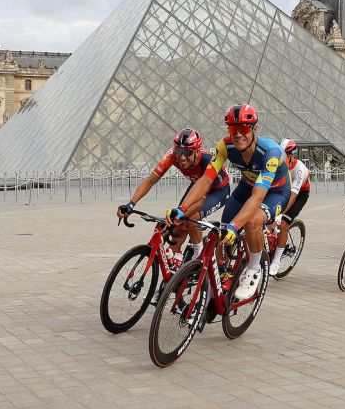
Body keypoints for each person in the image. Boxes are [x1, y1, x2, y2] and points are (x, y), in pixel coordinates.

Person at [174, 104, 289, 301]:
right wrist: (182, 209)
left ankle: (254, 269)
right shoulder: (224, 146)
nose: (238, 134)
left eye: (244, 129)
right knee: (222, 233)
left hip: (275, 192)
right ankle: (221, 273)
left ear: (254, 129)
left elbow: (258, 196)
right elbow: (205, 180)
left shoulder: (271, 152)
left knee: (252, 222)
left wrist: (236, 226)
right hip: (247, 186)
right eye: (233, 129)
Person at [118, 128, 229, 262]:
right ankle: (176, 263)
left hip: (217, 191)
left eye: (187, 152)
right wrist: (131, 204)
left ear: (197, 151)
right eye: (179, 151)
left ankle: (198, 258)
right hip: (196, 185)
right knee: (175, 227)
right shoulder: (172, 156)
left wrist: (185, 214)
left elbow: (201, 198)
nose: (182, 157)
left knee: (188, 216)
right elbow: (150, 181)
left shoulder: (207, 161)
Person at [271, 139, 311, 275]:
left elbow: (293, 195)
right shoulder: (278, 164)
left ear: (292, 155)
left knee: (282, 224)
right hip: (282, 190)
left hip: (299, 194)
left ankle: (276, 261)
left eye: (284, 156)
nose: (280, 159)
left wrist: (280, 213)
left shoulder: (300, 170)